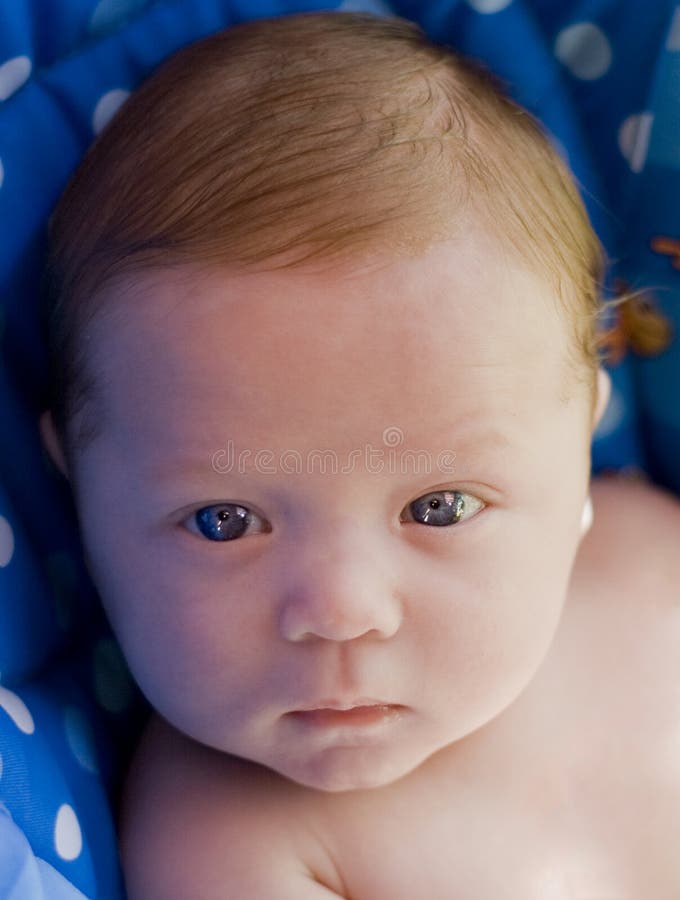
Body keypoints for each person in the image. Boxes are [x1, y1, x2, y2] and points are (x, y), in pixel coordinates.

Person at [37, 11, 680, 897]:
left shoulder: (658, 567)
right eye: (226, 522)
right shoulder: (223, 847)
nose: (341, 610)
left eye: (440, 507)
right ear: (77, 486)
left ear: (577, 456)